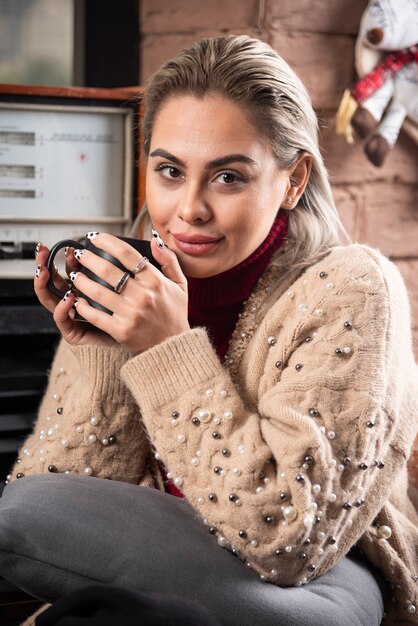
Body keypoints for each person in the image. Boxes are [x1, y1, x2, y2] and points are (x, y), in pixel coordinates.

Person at [2, 35, 418, 625]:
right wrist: (107, 356)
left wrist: (168, 351)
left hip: (322, 585)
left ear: (293, 180)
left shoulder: (353, 286)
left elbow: (291, 538)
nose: (190, 209)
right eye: (170, 171)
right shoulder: (133, 283)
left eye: (228, 177)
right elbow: (67, 515)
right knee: (31, 517)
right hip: (168, 561)